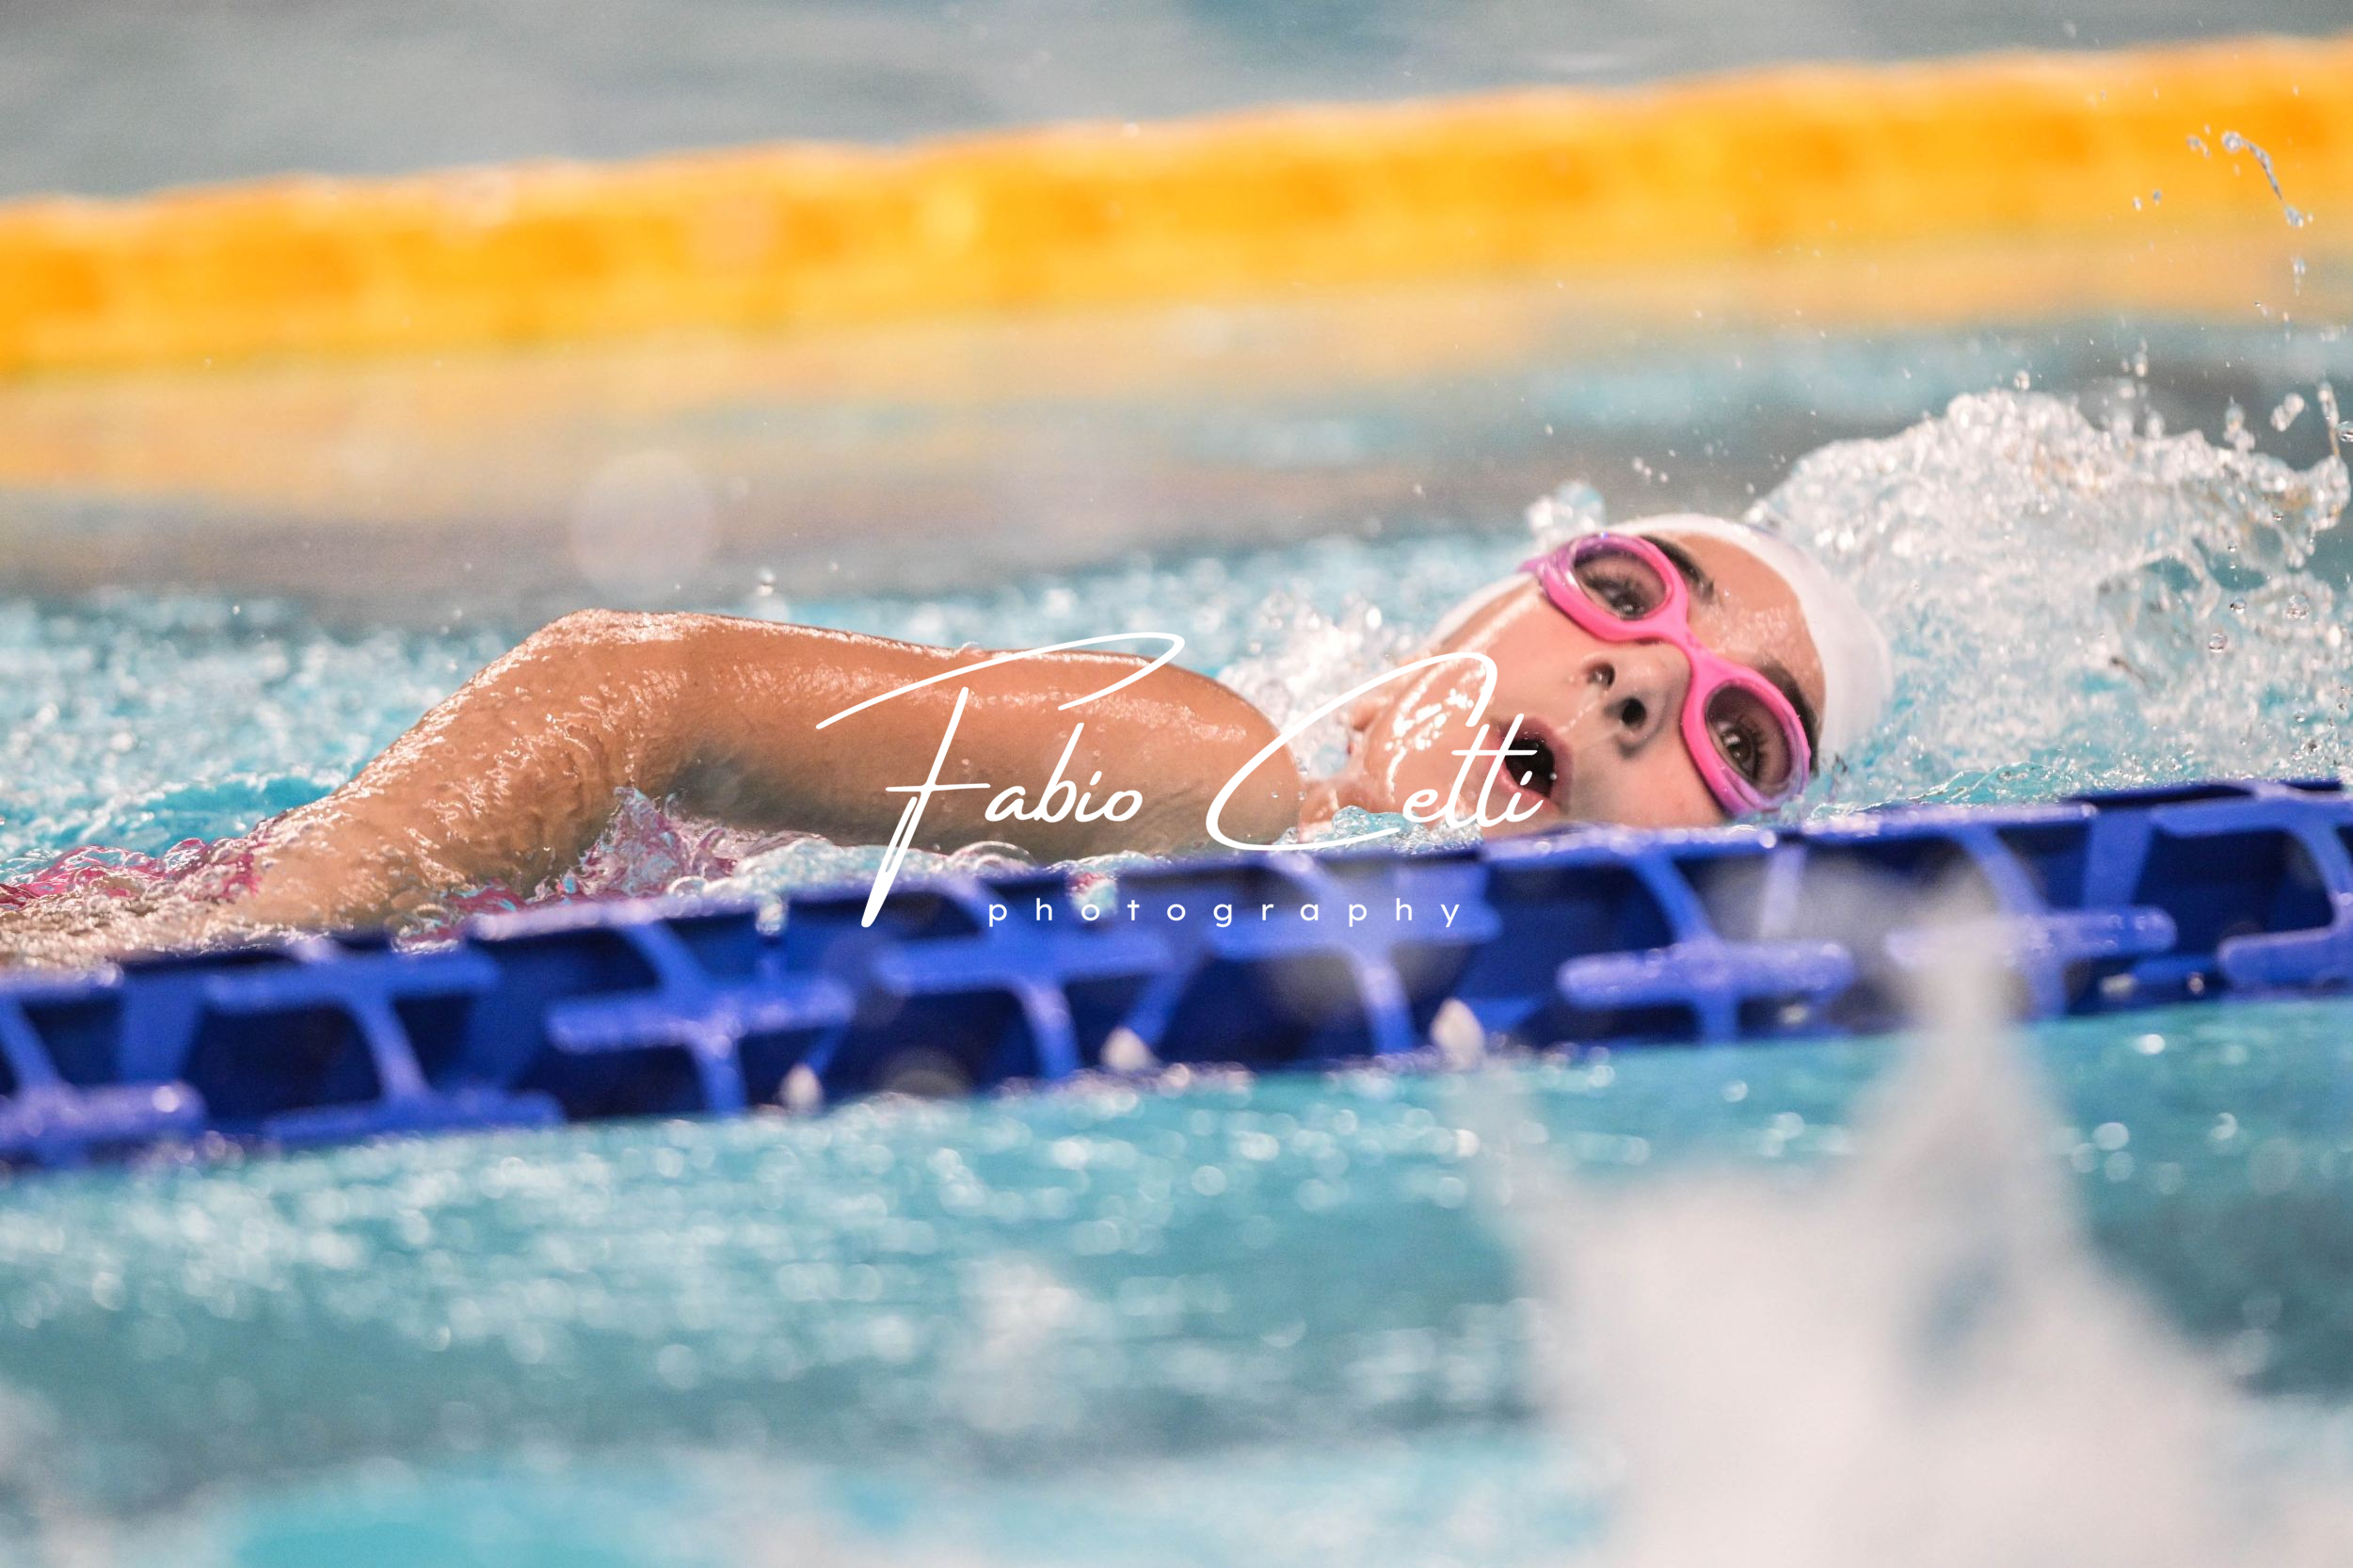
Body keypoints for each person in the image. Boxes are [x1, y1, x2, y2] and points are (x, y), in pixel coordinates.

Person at [17, 509, 1892, 950]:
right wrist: (251, 928)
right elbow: (624, 681)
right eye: (1622, 593)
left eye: (1745, 734)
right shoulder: (1231, 775)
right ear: (1451, 631)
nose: (1645, 679)